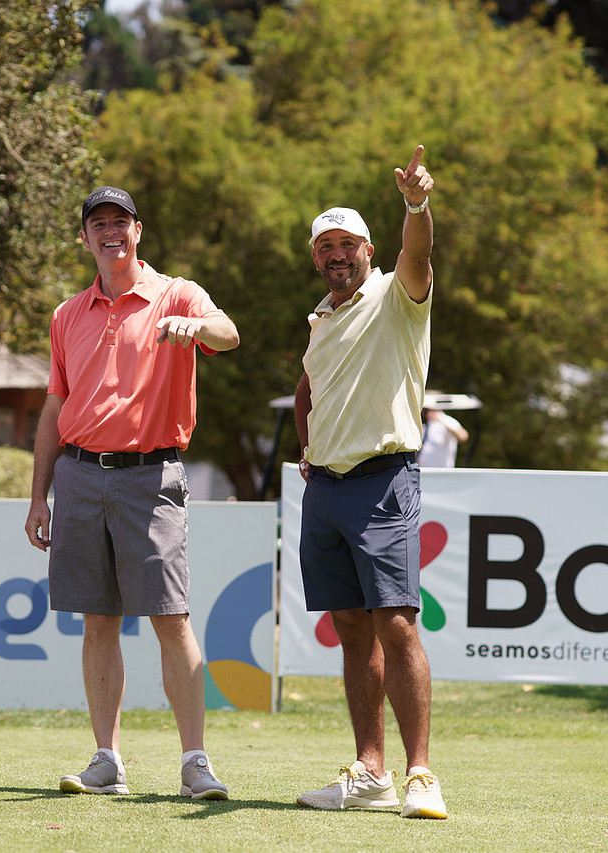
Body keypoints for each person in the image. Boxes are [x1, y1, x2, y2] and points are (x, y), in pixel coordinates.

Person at [24, 187, 240, 799]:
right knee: (98, 620)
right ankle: (107, 761)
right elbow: (55, 407)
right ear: (85, 238)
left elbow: (228, 334)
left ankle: (195, 762)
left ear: (137, 231)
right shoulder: (67, 314)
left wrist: (195, 326)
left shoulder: (176, 294)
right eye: (98, 223)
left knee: (171, 617)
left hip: (151, 474)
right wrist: (39, 496)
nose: (110, 231)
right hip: (79, 475)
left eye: (120, 221)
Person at [293, 146, 447, 819]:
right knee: (351, 627)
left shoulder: (395, 294)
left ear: (368, 250)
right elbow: (306, 391)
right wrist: (308, 448)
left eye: (347, 244)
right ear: (316, 256)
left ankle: (420, 775)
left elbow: (418, 252)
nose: (336, 254)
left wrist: (416, 204)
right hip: (325, 488)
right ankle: (370, 772)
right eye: (325, 246)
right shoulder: (320, 319)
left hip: (382, 480)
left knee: (396, 623)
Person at [418, 403, 469, 468]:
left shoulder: (447, 420)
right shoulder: (425, 424)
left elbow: (463, 436)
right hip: (423, 469)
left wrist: (440, 419)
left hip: (441, 470)